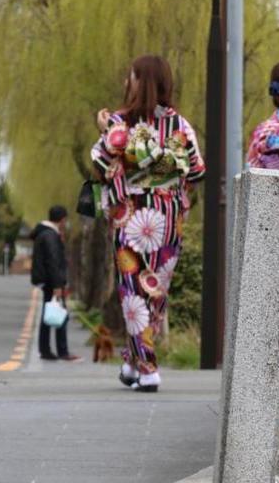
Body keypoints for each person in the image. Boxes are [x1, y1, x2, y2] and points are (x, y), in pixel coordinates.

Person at [91, 55, 205, 392]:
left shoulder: (120, 122)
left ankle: (149, 368)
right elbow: (196, 170)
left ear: (141, 82)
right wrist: (164, 171)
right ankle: (131, 361)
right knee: (153, 291)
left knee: (132, 290)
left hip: (130, 215)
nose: (127, 82)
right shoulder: (179, 125)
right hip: (169, 218)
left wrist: (109, 133)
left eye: (131, 77)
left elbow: (99, 163)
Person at [30, 205, 80, 362]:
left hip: (46, 281)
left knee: (47, 316)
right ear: (62, 219)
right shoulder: (51, 236)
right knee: (61, 315)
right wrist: (58, 285)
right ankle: (62, 351)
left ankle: (45, 350)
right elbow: (53, 261)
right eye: (65, 220)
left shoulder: (43, 233)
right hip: (53, 282)